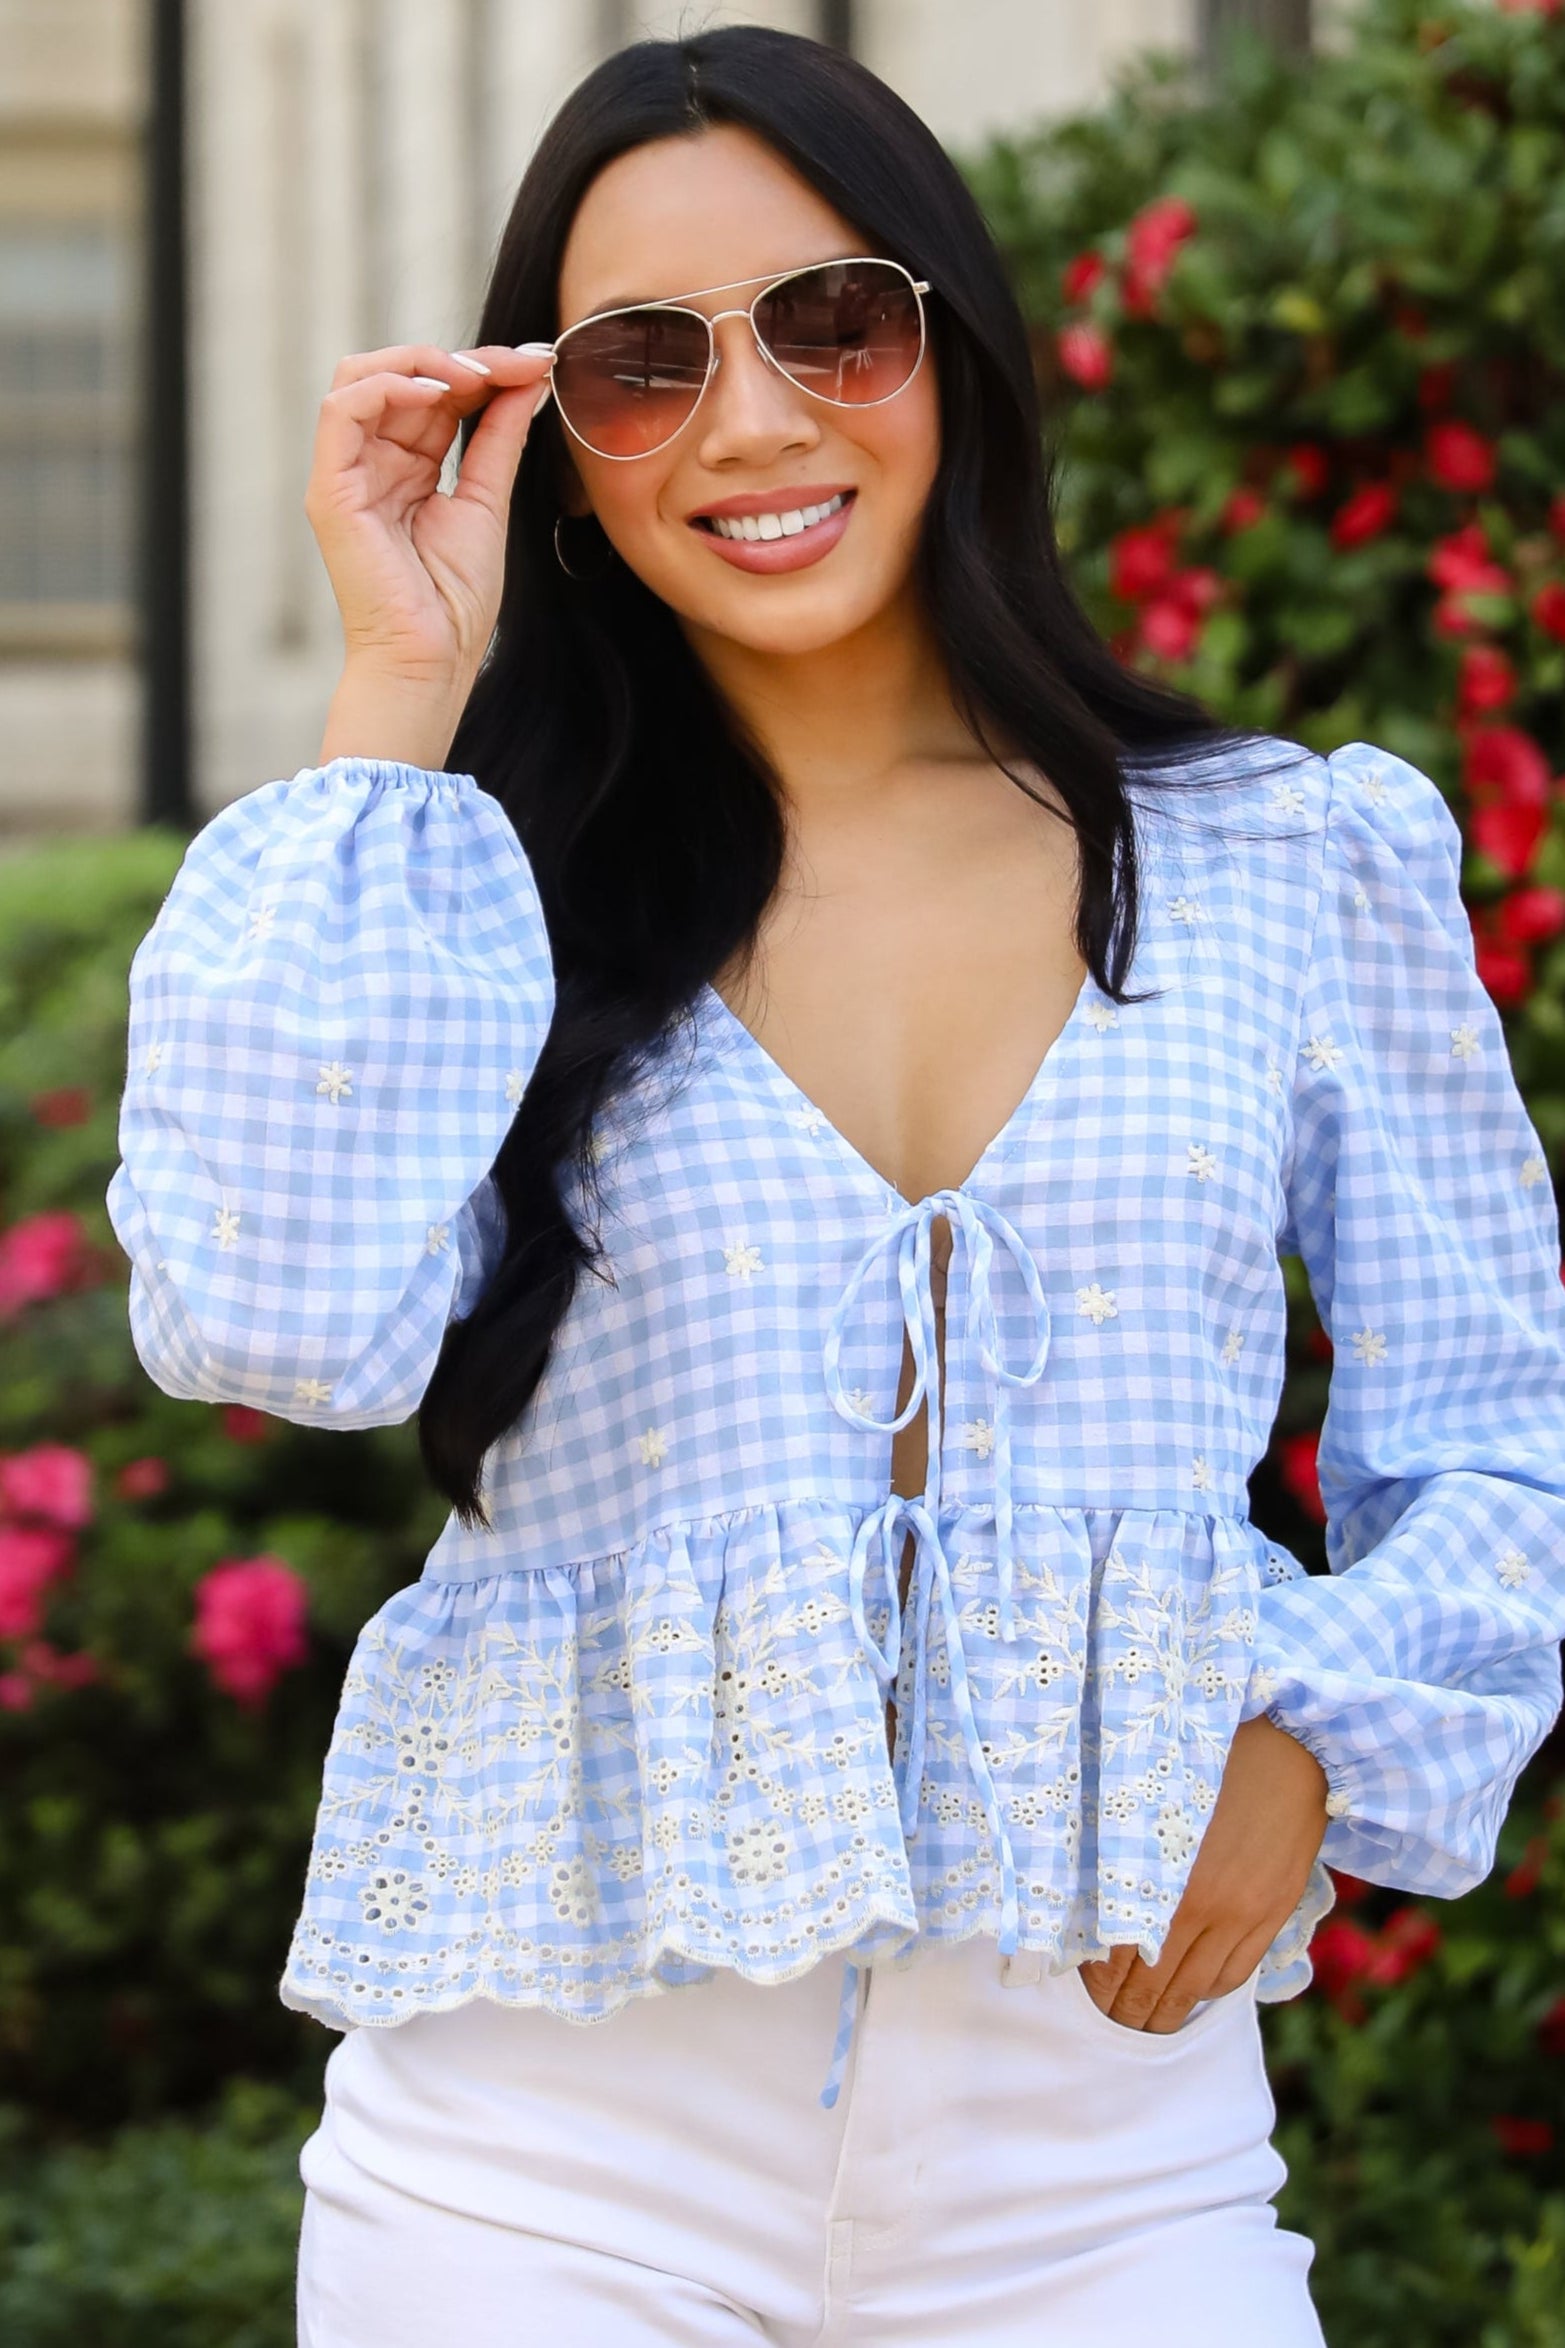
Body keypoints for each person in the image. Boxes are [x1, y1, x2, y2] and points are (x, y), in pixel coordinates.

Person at [106, 26, 1565, 2348]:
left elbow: (1504, 1430)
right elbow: (273, 1319)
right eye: (641, 365)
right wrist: (398, 683)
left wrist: (1316, 1726)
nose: (757, 420)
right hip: (534, 2168)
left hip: (1111, 2159)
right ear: (559, 456)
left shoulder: (1294, 861)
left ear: (954, 356)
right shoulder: (490, 895)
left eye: (833, 322)